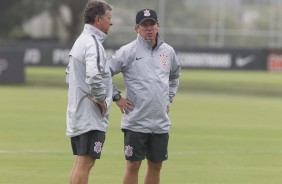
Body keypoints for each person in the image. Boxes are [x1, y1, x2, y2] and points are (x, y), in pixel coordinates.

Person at [108, 9, 181, 184]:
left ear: (158, 26)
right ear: (137, 28)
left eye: (152, 24)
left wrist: (168, 97)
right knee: (133, 165)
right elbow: (104, 72)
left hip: (160, 122)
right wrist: (117, 98)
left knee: (156, 165)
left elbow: (175, 75)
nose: (149, 28)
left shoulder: (168, 51)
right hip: (136, 121)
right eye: (144, 25)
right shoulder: (128, 51)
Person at [65, 1, 113, 184]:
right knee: (86, 163)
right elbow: (93, 75)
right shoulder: (92, 43)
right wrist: (101, 99)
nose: (111, 22)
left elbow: (69, 76)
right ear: (98, 19)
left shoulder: (81, 40)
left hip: (78, 111)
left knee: (80, 162)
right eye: (108, 18)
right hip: (89, 115)